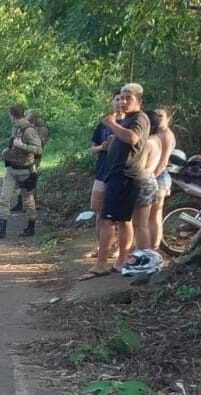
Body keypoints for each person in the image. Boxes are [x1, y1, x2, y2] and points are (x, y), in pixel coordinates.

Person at [79, 83, 150, 280]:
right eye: (122, 97)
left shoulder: (139, 118)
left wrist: (112, 124)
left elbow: (133, 138)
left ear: (138, 100)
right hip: (115, 174)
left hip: (126, 176)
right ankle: (119, 261)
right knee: (119, 219)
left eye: (129, 98)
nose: (124, 102)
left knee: (107, 219)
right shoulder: (126, 119)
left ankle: (102, 264)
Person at [0, 104, 42, 238]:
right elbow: (13, 145)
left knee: (28, 201)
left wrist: (22, 146)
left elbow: (38, 149)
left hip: (26, 170)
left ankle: (31, 227)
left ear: (12, 115)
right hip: (12, 168)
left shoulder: (29, 130)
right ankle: (2, 228)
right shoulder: (15, 128)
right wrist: (8, 151)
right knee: (4, 198)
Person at [82, 90, 124, 259]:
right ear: (112, 101)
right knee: (99, 211)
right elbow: (92, 147)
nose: (120, 102)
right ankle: (100, 246)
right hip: (102, 172)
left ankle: (120, 248)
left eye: (123, 98)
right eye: (117, 99)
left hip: (121, 173)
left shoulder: (130, 123)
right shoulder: (104, 124)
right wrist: (102, 147)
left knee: (121, 214)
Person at [131, 110, 162, 250]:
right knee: (144, 223)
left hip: (143, 183)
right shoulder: (157, 140)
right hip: (151, 181)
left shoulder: (147, 143)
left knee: (140, 224)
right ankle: (145, 252)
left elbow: (140, 166)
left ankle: (143, 254)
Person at [149, 106, 177, 251]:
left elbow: (163, 162)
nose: (158, 118)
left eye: (161, 116)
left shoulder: (167, 135)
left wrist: (151, 177)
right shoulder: (154, 133)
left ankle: (154, 248)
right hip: (151, 175)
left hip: (160, 178)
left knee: (155, 215)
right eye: (156, 115)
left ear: (168, 118)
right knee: (147, 216)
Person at [11, 109, 49, 212]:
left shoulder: (42, 128)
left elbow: (39, 143)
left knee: (31, 179)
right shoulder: (28, 127)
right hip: (25, 155)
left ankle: (32, 204)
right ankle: (21, 203)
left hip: (34, 157)